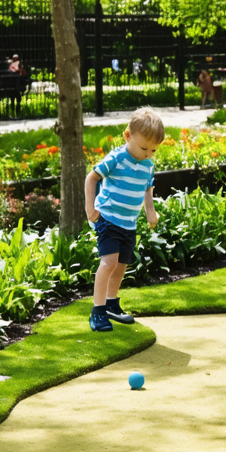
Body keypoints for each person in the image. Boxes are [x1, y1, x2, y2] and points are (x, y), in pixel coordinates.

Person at [84, 108, 162, 332]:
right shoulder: (117, 158)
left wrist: (150, 213)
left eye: (153, 150)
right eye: (144, 147)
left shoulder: (148, 165)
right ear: (128, 136)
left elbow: (148, 190)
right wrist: (90, 210)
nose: (148, 153)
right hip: (107, 217)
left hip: (128, 222)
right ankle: (97, 312)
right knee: (108, 263)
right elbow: (92, 178)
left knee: (121, 265)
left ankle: (111, 304)